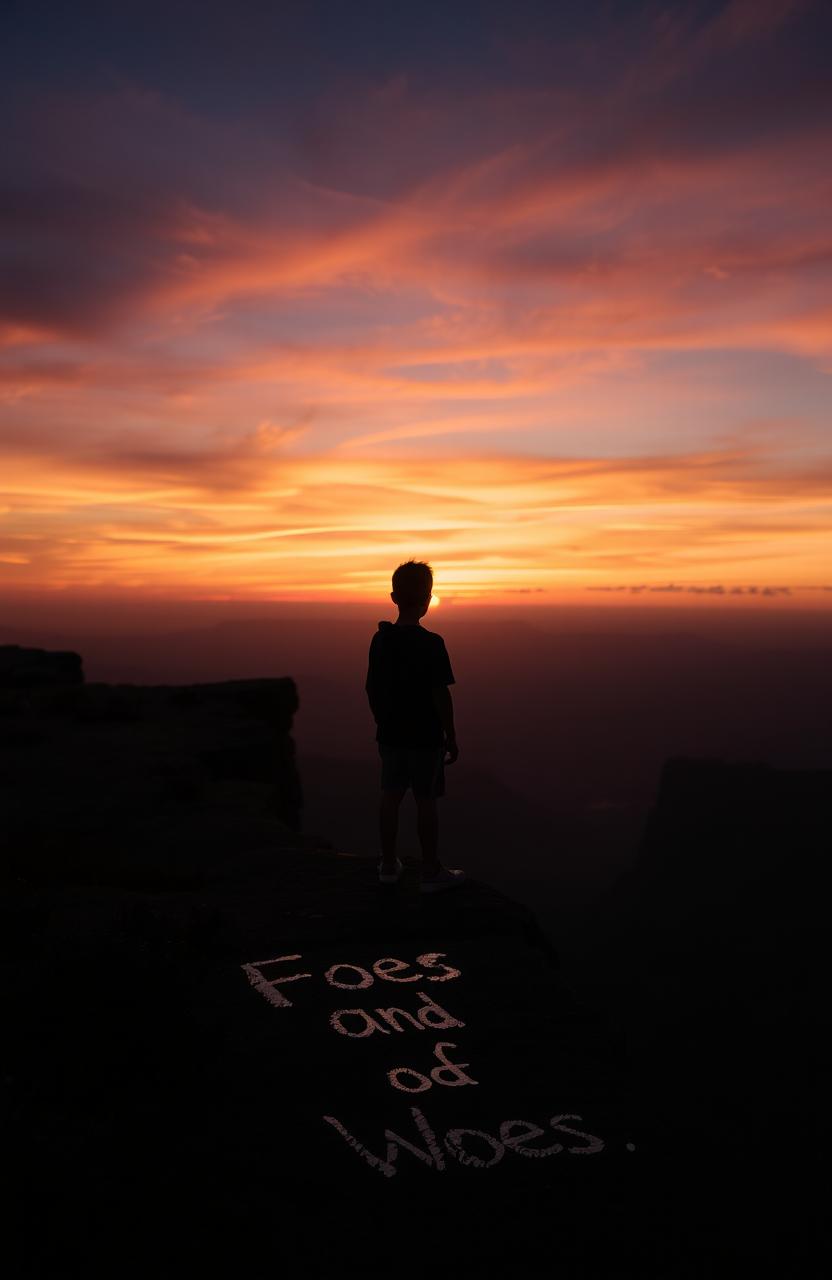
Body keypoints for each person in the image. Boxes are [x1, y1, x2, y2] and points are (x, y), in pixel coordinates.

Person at [365, 560, 465, 893]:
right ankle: (430, 870)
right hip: (425, 737)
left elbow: (371, 688)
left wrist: (382, 720)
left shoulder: (380, 641)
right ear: (428, 599)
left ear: (394, 597)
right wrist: (450, 734)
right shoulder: (432, 643)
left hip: (391, 733)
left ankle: (388, 864)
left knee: (389, 797)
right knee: (426, 800)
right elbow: (440, 694)